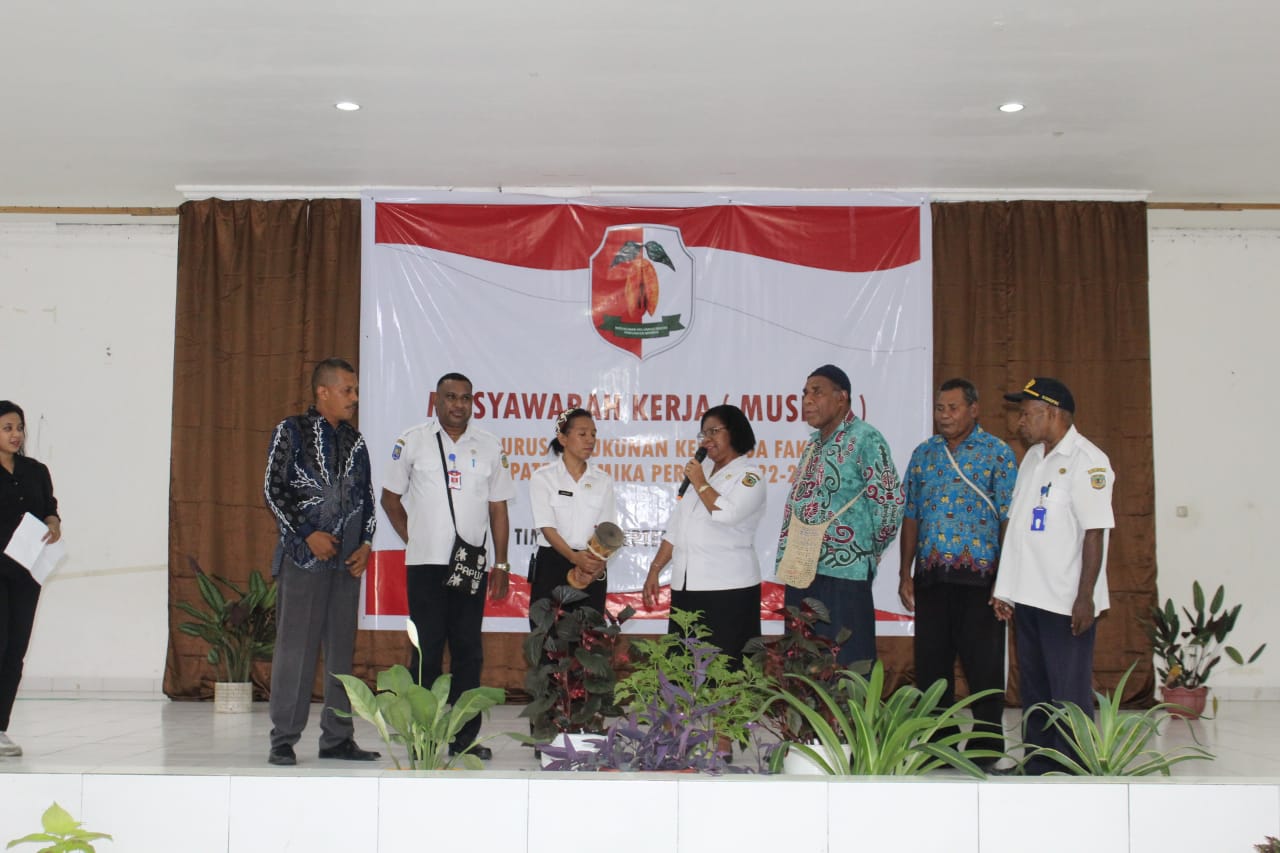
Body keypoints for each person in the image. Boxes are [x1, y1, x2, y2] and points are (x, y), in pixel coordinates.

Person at [380, 372, 514, 761]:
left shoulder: (489, 446)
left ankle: (463, 736)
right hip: (425, 566)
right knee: (426, 651)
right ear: (435, 401)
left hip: (469, 567)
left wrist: (502, 563)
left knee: (468, 651)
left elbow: (498, 508)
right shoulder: (412, 441)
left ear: (473, 403)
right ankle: (423, 735)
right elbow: (390, 499)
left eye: (465, 398)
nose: (458, 404)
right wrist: (415, 538)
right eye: (451, 397)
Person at [993, 377, 1115, 775]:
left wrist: (1085, 597)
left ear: (1053, 412)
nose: (1020, 422)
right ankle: (1038, 763)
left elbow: (1095, 532)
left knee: (1068, 690)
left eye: (1027, 414)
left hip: (1064, 599)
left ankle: (1075, 766)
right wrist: (1005, 589)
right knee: (1035, 690)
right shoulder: (1032, 458)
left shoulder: (1088, 460)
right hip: (1028, 596)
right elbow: (1018, 528)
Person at [263, 358, 379, 766]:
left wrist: (366, 543)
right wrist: (306, 534)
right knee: (296, 650)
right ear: (323, 392)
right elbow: (274, 489)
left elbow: (367, 498)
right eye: (348, 390)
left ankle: (338, 738)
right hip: (304, 558)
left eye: (356, 390)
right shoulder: (291, 431)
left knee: (341, 653)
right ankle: (284, 739)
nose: (354, 397)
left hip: (346, 563)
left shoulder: (356, 441)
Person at [898, 378, 1017, 760]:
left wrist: (1005, 578)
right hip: (931, 577)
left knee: (984, 665)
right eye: (939, 408)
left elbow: (1008, 518)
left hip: (981, 579)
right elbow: (911, 515)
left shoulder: (997, 453)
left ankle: (986, 746)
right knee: (931, 666)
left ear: (973, 409)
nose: (945, 415)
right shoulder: (924, 454)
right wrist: (904, 573)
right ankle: (939, 744)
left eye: (953, 408)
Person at [776, 364, 904, 667]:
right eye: (805, 393)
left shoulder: (866, 438)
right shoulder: (813, 444)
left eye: (816, 392)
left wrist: (867, 550)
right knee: (802, 662)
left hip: (845, 573)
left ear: (841, 397)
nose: (807, 400)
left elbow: (890, 503)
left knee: (845, 663)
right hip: (802, 569)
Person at [643, 404, 766, 667]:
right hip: (687, 587)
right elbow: (676, 529)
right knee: (684, 666)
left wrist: (700, 482)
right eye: (703, 434)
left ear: (734, 432)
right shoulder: (703, 474)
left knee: (725, 666)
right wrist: (655, 569)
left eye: (714, 431)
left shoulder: (750, 476)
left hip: (728, 589)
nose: (706, 440)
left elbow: (727, 513)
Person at [0, 402, 61, 758]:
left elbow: (49, 508)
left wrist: (53, 524)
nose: (16, 434)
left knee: (15, 651)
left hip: (27, 572)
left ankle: (0, 727)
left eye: (19, 427)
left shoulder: (36, 471)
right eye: (7, 428)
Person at [528, 408, 617, 615]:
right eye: (582, 434)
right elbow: (547, 527)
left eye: (593, 434)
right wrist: (574, 558)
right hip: (553, 562)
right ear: (563, 438)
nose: (590, 440)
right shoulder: (543, 477)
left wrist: (596, 567)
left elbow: (608, 531)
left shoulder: (603, 480)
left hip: (590, 563)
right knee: (546, 631)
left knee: (588, 632)